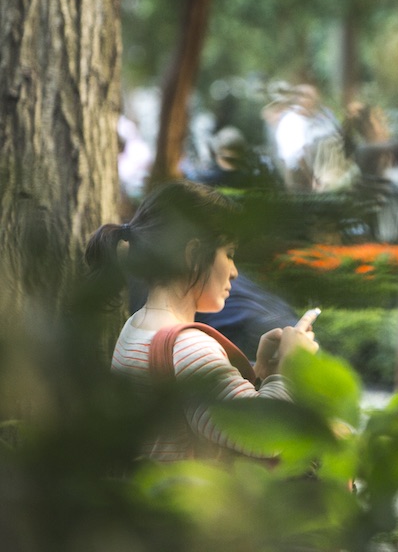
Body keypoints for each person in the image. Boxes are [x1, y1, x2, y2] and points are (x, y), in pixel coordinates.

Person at [94, 180, 317, 461]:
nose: (234, 272)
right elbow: (266, 436)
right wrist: (292, 367)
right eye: (229, 255)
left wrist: (262, 373)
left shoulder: (137, 324)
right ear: (193, 254)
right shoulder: (188, 345)